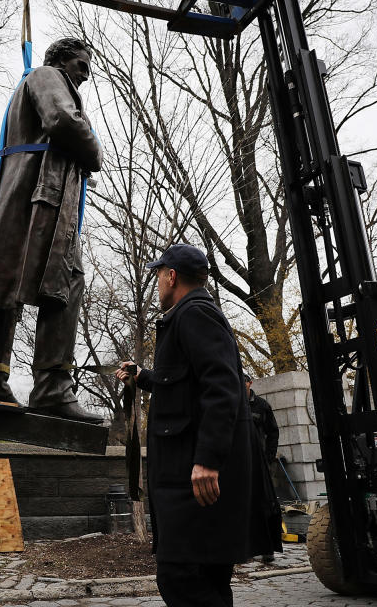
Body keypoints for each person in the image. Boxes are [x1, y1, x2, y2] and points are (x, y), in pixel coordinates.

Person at [115, 244, 274, 607]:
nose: (157, 283)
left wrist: (208, 459)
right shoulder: (189, 315)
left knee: (181, 577)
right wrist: (143, 377)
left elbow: (222, 388)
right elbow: (186, 386)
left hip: (195, 476)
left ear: (172, 276)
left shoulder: (195, 314)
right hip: (190, 476)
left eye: (159, 275)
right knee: (205, 576)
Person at [0, 37, 103, 423]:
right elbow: (63, 122)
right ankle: (51, 388)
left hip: (35, 194)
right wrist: (95, 153)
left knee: (4, 277)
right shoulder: (46, 74)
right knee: (66, 279)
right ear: (60, 60)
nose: (83, 75)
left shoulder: (42, 80)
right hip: (39, 197)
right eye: (80, 65)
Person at [245, 374, 280, 563]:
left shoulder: (262, 405)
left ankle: (268, 548)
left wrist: (269, 457)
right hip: (242, 463)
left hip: (261, 463)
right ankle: (247, 547)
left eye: (244, 382)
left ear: (250, 383)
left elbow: (273, 432)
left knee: (266, 504)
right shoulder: (233, 403)